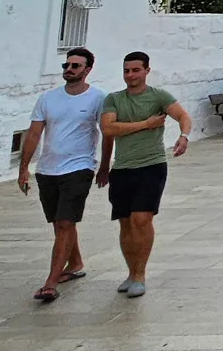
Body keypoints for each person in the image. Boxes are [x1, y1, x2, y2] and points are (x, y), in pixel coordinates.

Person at [19, 47, 110, 302]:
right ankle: (76, 262)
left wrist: (104, 166)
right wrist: (24, 167)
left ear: (87, 69)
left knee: (65, 222)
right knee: (60, 222)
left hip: (79, 167)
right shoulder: (47, 99)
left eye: (75, 66)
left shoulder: (98, 98)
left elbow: (106, 132)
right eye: (66, 65)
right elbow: (35, 133)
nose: (69, 69)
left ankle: (50, 282)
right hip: (47, 169)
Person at [100, 52, 191, 298]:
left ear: (147, 71)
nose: (131, 75)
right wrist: (146, 124)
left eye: (136, 70)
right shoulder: (114, 99)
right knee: (126, 222)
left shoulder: (158, 96)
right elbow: (108, 128)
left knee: (142, 219)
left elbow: (182, 115)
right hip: (122, 168)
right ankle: (131, 272)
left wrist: (184, 135)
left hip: (151, 165)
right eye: (127, 71)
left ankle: (140, 274)